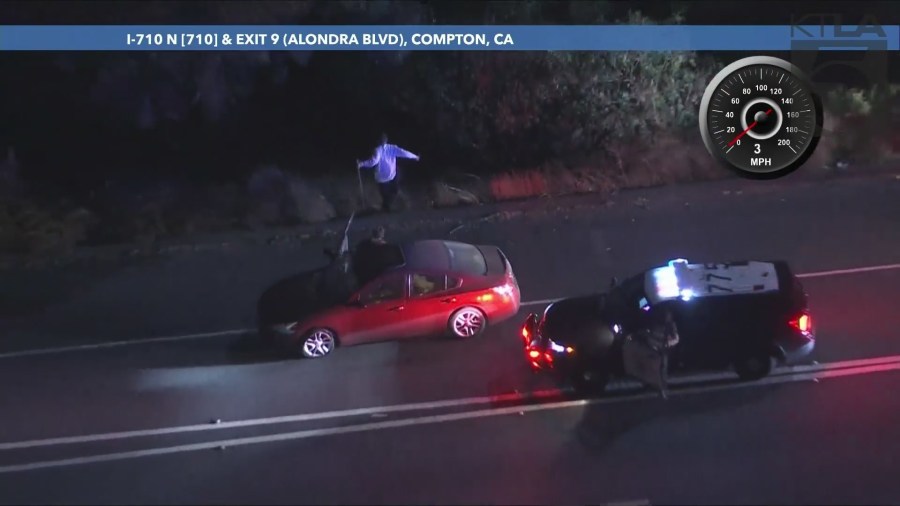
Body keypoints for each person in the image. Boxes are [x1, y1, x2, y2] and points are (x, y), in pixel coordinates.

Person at [357, 134, 420, 212]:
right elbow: (404, 153)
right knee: (394, 189)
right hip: (391, 174)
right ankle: (389, 205)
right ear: (386, 141)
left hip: (382, 177)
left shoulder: (378, 150)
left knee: (386, 194)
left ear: (378, 141)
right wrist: (415, 157)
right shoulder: (392, 148)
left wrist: (361, 164)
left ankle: (387, 207)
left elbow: (373, 162)